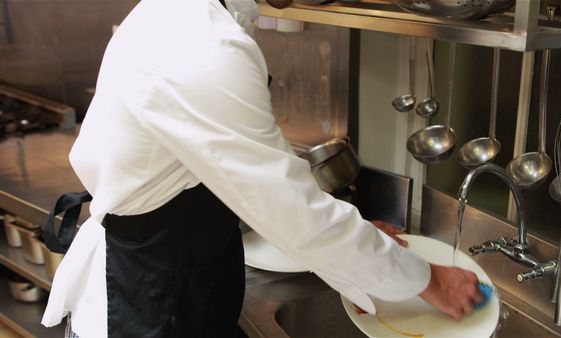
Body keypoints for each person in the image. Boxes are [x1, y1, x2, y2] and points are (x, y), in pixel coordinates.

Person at [41, 0, 483, 336]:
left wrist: (360, 239)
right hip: (154, 305)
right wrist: (428, 280)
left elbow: (257, 187)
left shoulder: (187, 15)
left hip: (181, 280)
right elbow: (295, 215)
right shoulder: (197, 47)